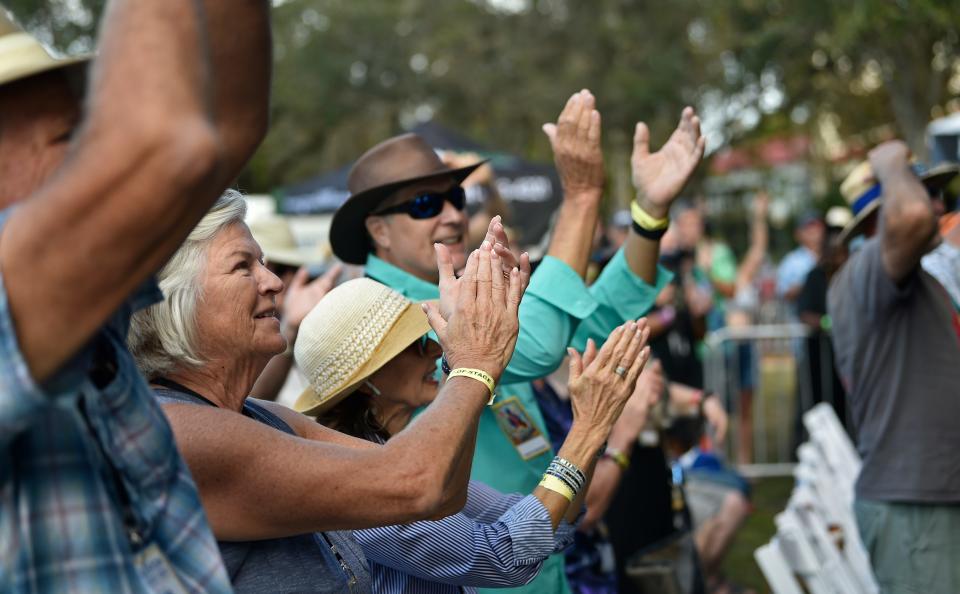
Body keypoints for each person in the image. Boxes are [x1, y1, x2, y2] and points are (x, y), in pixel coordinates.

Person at [327, 89, 704, 594]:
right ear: (378, 229)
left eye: (457, 197)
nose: (452, 215)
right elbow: (541, 343)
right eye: (424, 204)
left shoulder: (459, 288)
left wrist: (649, 216)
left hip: (542, 554)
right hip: (485, 571)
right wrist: (582, 197)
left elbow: (588, 322)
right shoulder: (380, 314)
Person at [129, 191, 532, 592]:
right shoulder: (175, 432)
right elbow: (418, 485)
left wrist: (465, 360)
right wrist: (474, 363)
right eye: (242, 266)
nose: (272, 282)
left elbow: (441, 492)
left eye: (264, 263)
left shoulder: (264, 416)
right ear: (175, 300)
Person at [0, 2, 270, 591]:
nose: (95, 157)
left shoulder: (78, 308)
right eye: (70, 135)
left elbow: (222, 120)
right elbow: (181, 143)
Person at [304, 275, 653, 593]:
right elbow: (500, 556)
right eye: (414, 345)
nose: (435, 350)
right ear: (368, 382)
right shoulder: (359, 484)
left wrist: (593, 426)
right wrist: (588, 431)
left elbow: (553, 523)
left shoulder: (397, 458)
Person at [828, 141, 960, 593]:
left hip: (928, 498)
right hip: (913, 505)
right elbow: (912, 219)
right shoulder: (866, 269)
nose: (938, 205)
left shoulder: (915, 279)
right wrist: (889, 162)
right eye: (924, 191)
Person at [776, 210, 825, 305]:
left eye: (818, 225)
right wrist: (810, 284)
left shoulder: (834, 255)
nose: (814, 230)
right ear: (798, 233)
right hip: (801, 318)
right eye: (809, 226)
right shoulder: (791, 261)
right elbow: (784, 294)